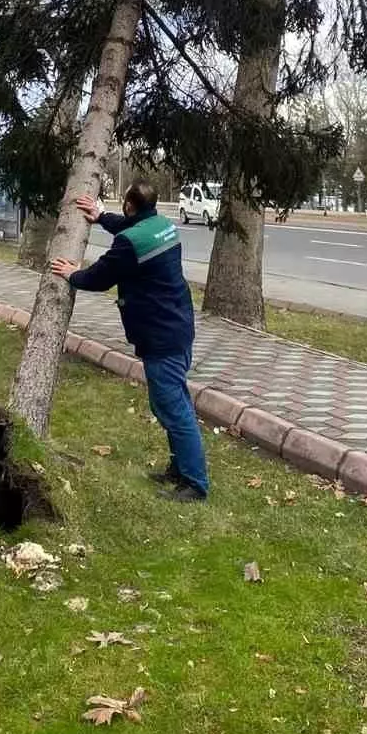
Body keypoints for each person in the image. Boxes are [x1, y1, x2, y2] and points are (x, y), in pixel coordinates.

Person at [51, 180, 209, 502]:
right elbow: (130, 228)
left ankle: (195, 483)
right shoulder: (162, 225)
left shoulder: (130, 243)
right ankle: (180, 469)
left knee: (173, 407)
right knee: (169, 402)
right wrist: (100, 216)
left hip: (161, 334)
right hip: (177, 325)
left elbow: (99, 278)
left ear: (128, 205)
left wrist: (72, 274)